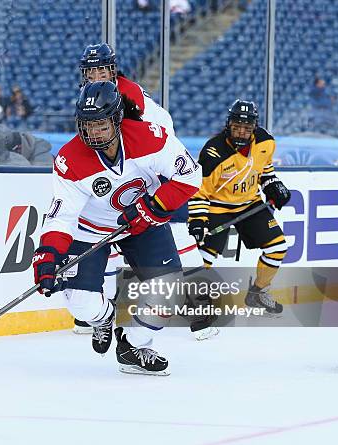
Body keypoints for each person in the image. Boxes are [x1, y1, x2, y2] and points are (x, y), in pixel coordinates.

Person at [32, 81, 201, 375]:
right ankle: (105, 318)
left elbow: (190, 176)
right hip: (90, 228)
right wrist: (47, 255)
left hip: (144, 223)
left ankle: (132, 345)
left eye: (100, 124)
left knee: (169, 292)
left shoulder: (152, 138)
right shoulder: (69, 159)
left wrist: (153, 207)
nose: (93, 132)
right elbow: (62, 217)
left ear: (117, 119)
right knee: (81, 306)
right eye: (87, 125)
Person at [76, 42, 216, 340]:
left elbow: (158, 137)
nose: (97, 75)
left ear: (113, 69)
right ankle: (102, 311)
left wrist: (155, 185)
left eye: (102, 69)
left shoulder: (130, 96)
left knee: (178, 236)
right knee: (103, 235)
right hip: (129, 174)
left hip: (158, 171)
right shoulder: (92, 96)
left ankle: (199, 308)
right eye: (91, 70)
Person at [188, 100, 290, 315]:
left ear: (254, 127)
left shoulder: (266, 142)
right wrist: (198, 220)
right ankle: (192, 301)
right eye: (236, 126)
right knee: (202, 259)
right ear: (228, 124)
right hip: (217, 207)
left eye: (246, 127)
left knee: (277, 248)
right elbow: (199, 191)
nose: (241, 132)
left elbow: (265, 171)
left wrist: (273, 186)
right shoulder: (213, 153)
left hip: (250, 204)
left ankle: (258, 293)